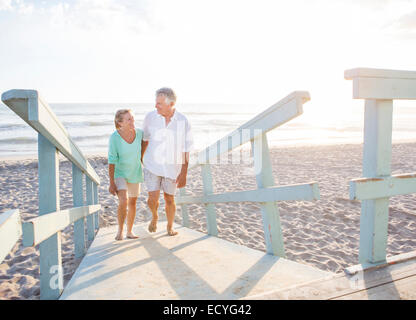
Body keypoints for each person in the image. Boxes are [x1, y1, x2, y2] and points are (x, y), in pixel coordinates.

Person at [141, 87, 193, 236]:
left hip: (172, 167)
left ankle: (170, 227)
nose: (155, 106)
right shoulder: (150, 117)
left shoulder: (183, 121)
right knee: (152, 199)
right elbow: (144, 139)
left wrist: (184, 173)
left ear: (171, 104)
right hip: (152, 164)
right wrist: (140, 158)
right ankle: (155, 216)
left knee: (169, 198)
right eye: (156, 102)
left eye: (159, 103)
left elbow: (186, 149)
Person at [108, 109, 145, 240]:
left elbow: (147, 143)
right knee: (124, 201)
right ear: (120, 122)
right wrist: (111, 182)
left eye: (133, 118)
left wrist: (143, 158)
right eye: (129, 119)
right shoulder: (114, 137)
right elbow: (111, 161)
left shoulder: (140, 133)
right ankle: (120, 230)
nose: (132, 121)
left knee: (133, 203)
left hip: (135, 172)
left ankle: (129, 231)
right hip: (120, 173)